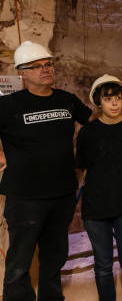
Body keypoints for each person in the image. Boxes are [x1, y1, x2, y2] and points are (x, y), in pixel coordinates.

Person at [0, 40, 93, 301]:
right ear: (22, 72)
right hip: (25, 196)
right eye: (37, 66)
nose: (45, 69)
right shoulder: (9, 105)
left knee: (54, 256)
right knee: (20, 259)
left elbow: (95, 124)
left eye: (49, 64)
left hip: (62, 192)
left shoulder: (67, 100)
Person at [76, 75, 122, 301]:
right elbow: (84, 169)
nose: (114, 104)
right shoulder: (87, 133)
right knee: (104, 265)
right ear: (99, 102)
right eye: (108, 99)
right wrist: (100, 187)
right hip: (95, 209)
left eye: (117, 98)